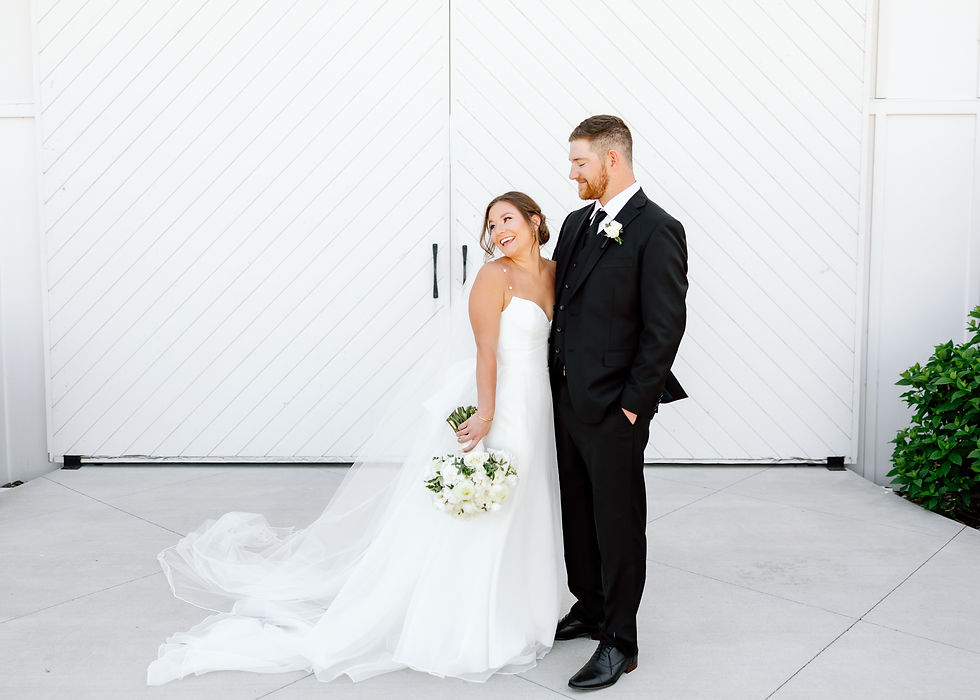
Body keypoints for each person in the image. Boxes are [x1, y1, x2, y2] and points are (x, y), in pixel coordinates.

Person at [147, 192, 564, 685]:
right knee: (490, 509)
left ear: (535, 221)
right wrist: (488, 414)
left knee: (530, 502)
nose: (498, 231)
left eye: (507, 219)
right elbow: (485, 351)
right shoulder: (493, 276)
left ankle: (524, 609)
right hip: (503, 405)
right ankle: (472, 623)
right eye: (492, 224)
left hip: (540, 404)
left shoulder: (556, 272)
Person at [549, 115, 688, 690]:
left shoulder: (658, 229)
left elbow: (665, 327)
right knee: (577, 511)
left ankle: (620, 640)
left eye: (580, 161)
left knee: (618, 520)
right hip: (566, 399)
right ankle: (590, 605)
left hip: (616, 410)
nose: (572, 172)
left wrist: (635, 405)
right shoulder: (576, 223)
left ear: (612, 160)